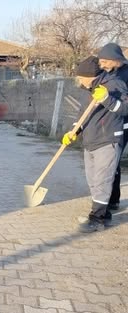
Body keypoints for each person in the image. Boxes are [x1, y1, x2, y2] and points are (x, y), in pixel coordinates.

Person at [62, 55, 128, 232]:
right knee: (92, 179)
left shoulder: (115, 85)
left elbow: (125, 109)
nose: (80, 82)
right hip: (91, 140)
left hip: (108, 139)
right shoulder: (89, 89)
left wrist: (107, 99)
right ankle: (104, 214)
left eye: (82, 78)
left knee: (102, 179)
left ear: (91, 76)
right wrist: (74, 131)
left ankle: (97, 219)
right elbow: (83, 114)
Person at [97, 43, 128, 211]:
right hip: (109, 123)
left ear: (116, 59)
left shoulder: (126, 74)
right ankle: (111, 200)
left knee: (112, 163)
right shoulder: (107, 72)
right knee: (111, 163)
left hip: (124, 124)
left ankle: (110, 201)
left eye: (105, 62)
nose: (102, 66)